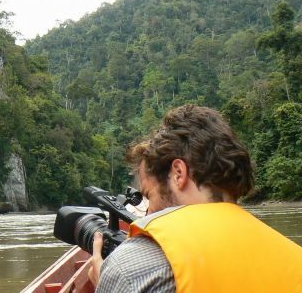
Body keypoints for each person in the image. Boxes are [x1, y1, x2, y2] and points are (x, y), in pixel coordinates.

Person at [87, 104, 302, 293]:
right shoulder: (294, 257)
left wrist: (106, 282)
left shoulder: (132, 265)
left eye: (149, 196)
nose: (149, 212)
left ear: (178, 173)